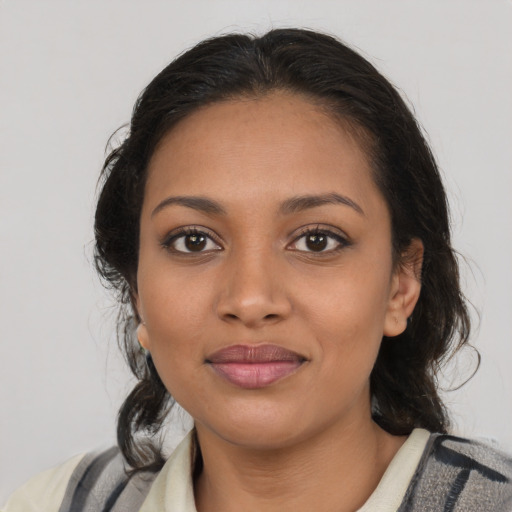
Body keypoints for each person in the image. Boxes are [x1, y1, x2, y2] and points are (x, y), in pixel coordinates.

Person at [3, 28, 512, 512]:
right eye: (194, 240)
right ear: (137, 288)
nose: (250, 300)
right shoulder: (57, 502)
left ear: (401, 285)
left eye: (317, 240)